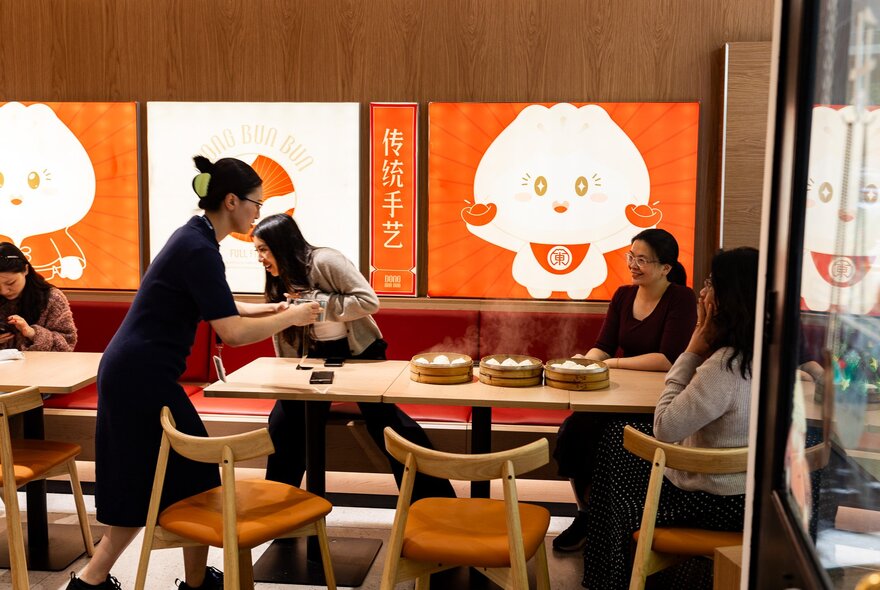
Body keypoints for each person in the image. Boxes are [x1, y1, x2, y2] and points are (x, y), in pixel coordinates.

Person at [66, 157, 321, 590]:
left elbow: (223, 304)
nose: (258, 213)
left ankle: (188, 581)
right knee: (170, 480)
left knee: (185, 479)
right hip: (140, 376)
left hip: (137, 370)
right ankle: (97, 580)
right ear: (231, 200)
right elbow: (234, 332)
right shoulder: (198, 249)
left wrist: (274, 308)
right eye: (256, 204)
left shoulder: (195, 239)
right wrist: (292, 317)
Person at [581, 247, 759, 589]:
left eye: (711, 284)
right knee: (617, 439)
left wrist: (691, 350)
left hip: (717, 503)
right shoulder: (772, 355)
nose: (703, 293)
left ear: (730, 299)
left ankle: (608, 576)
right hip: (755, 496)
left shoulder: (724, 366)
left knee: (616, 445)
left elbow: (665, 426)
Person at [251, 213, 455, 500]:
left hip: (359, 353)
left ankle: (434, 501)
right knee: (286, 422)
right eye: (257, 250)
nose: (259, 257)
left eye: (263, 249)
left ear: (281, 244)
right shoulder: (280, 275)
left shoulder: (325, 260)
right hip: (312, 359)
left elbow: (369, 301)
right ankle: (278, 508)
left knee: (385, 422)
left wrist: (316, 303)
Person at [552, 228, 697, 552]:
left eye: (642, 259)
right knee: (575, 429)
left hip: (656, 400)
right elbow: (603, 345)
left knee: (608, 437)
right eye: (631, 256)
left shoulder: (681, 298)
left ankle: (615, 519)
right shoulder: (622, 295)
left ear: (665, 268)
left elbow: (667, 359)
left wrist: (609, 366)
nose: (633, 264)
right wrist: (584, 366)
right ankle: (587, 513)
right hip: (620, 393)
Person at [0, 241, 76, 351]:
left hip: (42, 366)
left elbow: (67, 344)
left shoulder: (52, 298)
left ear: (26, 270)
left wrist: (32, 333)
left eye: (11, 283)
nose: (4, 291)